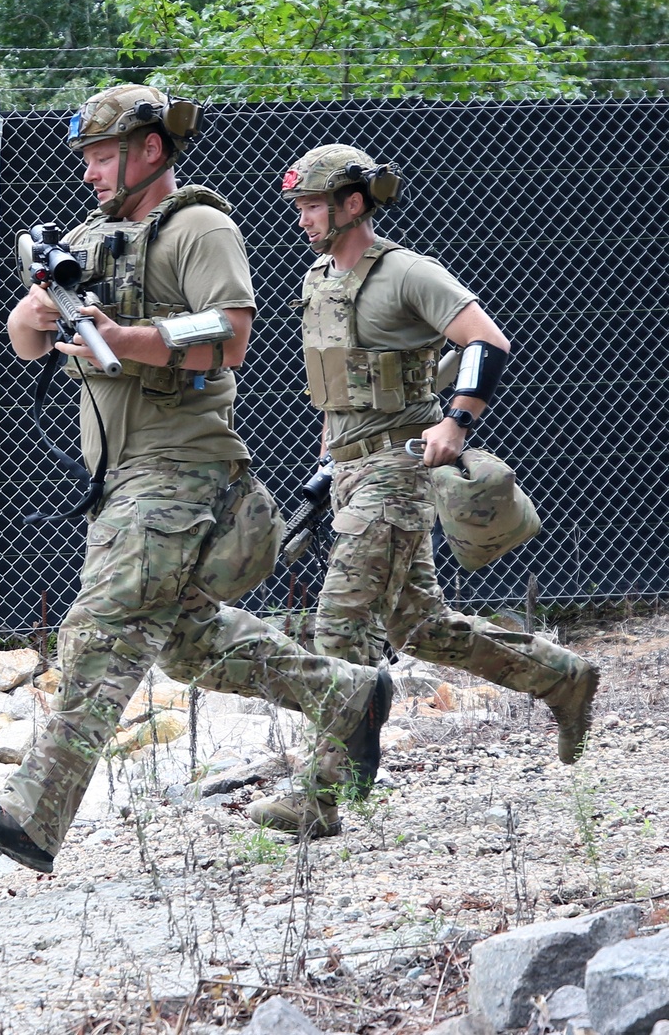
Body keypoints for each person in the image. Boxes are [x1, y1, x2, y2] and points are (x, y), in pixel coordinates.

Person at [0, 89, 391, 864]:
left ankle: (33, 816)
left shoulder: (199, 227)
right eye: (85, 160)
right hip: (122, 479)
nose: (89, 174)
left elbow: (230, 333)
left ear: (152, 149)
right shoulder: (84, 239)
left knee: (99, 627)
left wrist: (126, 337)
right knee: (184, 643)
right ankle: (350, 696)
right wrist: (35, 319)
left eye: (103, 156)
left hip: (183, 469)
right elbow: (23, 340)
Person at [248, 144, 599, 833]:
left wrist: (457, 424)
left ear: (355, 204)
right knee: (419, 626)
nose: (303, 218)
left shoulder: (407, 272)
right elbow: (342, 390)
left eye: (314, 205)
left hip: (398, 473)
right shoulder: (320, 277)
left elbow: (485, 341)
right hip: (349, 470)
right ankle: (562, 677)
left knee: (340, 625)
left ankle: (319, 796)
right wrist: (326, 468)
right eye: (299, 207)